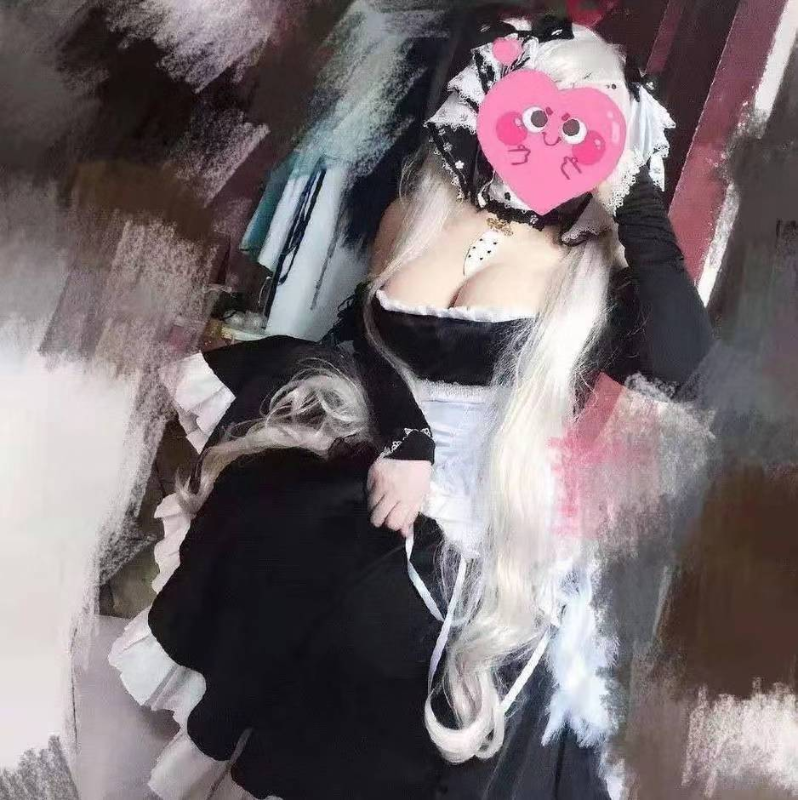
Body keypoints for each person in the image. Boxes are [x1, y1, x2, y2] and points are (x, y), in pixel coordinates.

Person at [109, 13, 713, 800]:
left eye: (580, 127)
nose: (550, 140)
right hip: (386, 464)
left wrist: (634, 203)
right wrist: (405, 438)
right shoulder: (419, 210)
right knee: (277, 535)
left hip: (488, 529)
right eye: (537, 109)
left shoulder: (592, 281)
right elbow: (374, 339)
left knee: (396, 647)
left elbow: (688, 366)